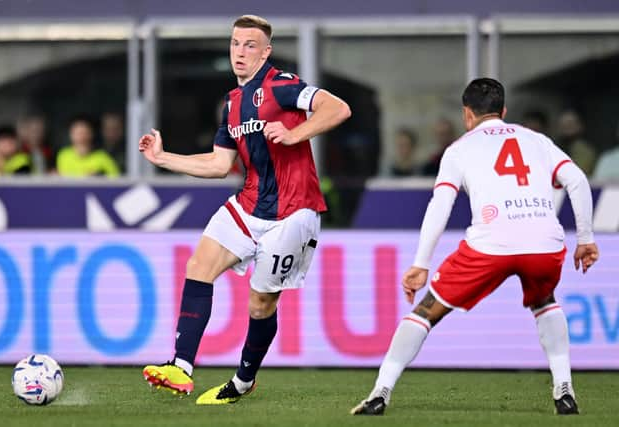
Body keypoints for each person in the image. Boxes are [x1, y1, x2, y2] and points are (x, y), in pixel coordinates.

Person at [351, 78, 598, 416]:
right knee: (545, 302)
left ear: (467, 114)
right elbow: (578, 180)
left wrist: (421, 263)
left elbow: (440, 205)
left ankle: (380, 392)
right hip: (544, 243)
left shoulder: (459, 149)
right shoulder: (537, 140)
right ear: (504, 111)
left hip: (490, 244)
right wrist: (585, 239)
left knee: (426, 311)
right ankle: (564, 388)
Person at [139, 15, 351, 405]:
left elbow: (338, 109)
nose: (240, 51)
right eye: (236, 43)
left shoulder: (281, 85)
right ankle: (180, 367)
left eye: (250, 45)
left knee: (260, 304)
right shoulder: (233, 103)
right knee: (198, 266)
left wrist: (294, 133)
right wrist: (163, 157)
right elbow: (220, 166)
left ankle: (242, 380)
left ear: (266, 51)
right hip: (250, 203)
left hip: (293, 211)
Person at [556, 110, 596, 176]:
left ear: (580, 127)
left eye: (570, 125)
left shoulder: (586, 152)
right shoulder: (552, 149)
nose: (566, 129)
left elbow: (578, 174)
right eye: (563, 126)